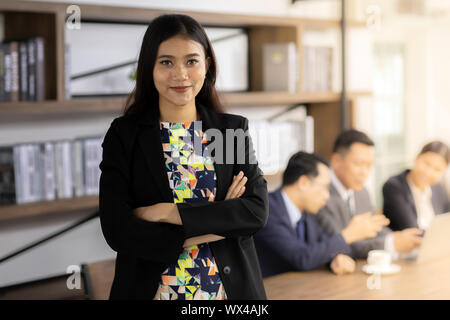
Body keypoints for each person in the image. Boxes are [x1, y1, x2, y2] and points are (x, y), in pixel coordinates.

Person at [99, 14, 268, 300]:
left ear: (207, 65)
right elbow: (118, 231)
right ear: (149, 68)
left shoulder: (229, 132)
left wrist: (168, 213)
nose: (180, 74)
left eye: (191, 61)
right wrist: (219, 220)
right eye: (166, 62)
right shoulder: (125, 135)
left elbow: (255, 212)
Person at [253, 151, 388, 278]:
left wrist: (335, 258)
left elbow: (322, 245)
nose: (327, 196)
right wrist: (349, 234)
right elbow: (301, 257)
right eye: (324, 187)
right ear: (304, 183)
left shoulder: (308, 212)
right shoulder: (267, 210)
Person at [316, 129, 423, 260]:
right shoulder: (320, 194)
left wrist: (397, 237)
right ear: (336, 161)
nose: (364, 172)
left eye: (369, 165)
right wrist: (391, 243)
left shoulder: (361, 191)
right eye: (358, 164)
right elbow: (340, 244)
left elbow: (374, 226)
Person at [383, 141, 450, 231]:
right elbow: (412, 230)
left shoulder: (437, 188)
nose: (429, 173)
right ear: (417, 157)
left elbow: (446, 221)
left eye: (437, 170)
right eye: (427, 164)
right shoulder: (394, 186)